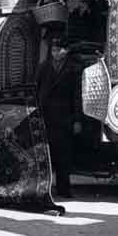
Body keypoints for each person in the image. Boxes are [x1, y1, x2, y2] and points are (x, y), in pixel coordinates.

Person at [33, 36, 81, 198]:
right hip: (46, 115)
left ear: (66, 51)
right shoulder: (43, 67)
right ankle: (44, 188)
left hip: (64, 117)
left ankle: (64, 188)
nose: (55, 53)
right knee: (45, 153)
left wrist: (77, 119)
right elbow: (36, 90)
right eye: (53, 50)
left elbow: (77, 96)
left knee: (64, 155)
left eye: (58, 50)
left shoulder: (74, 69)